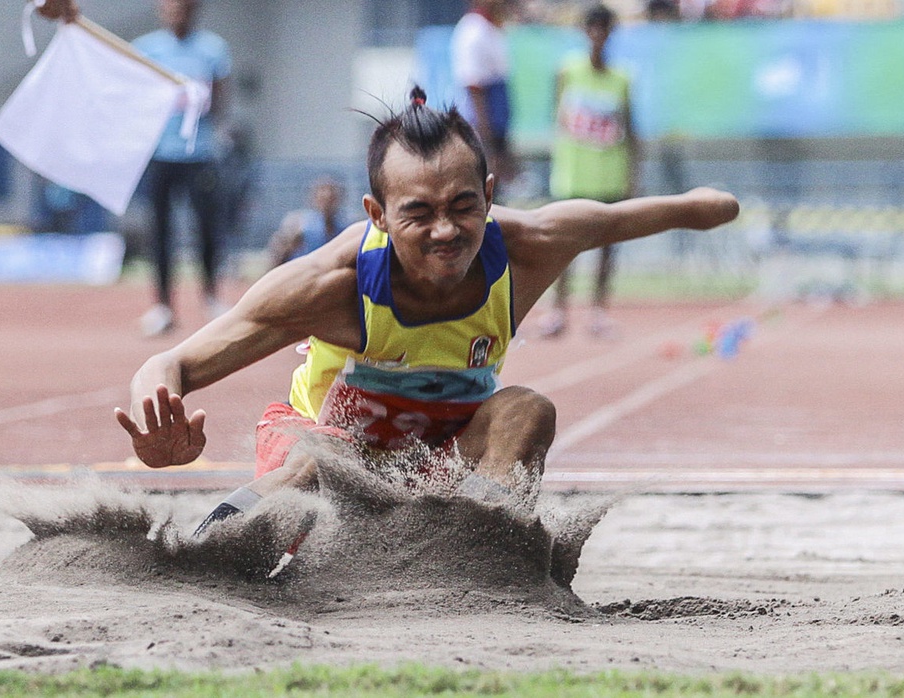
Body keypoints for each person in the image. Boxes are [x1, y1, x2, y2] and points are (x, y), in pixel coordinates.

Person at [114, 87, 738, 579]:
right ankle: (204, 558)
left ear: (490, 196)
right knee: (321, 459)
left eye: (463, 206)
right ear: (377, 214)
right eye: (418, 213)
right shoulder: (330, 284)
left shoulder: (528, 249)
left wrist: (712, 205)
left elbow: (627, 217)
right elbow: (170, 366)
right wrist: (154, 423)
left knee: (526, 410)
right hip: (316, 453)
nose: (446, 231)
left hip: (436, 464)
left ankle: (470, 561)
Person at [536, 5, 638, 340]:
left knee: (607, 247)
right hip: (572, 176)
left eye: (603, 28)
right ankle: (558, 311)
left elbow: (631, 128)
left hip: (608, 174)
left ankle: (597, 310)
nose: (597, 34)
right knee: (563, 246)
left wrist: (632, 175)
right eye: (592, 27)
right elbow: (557, 118)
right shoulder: (567, 71)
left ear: (610, 33)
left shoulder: (621, 78)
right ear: (584, 31)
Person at [132, 0, 233, 337]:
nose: (177, 13)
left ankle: (210, 297)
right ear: (162, 9)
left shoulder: (213, 49)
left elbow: (220, 97)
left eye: (184, 7)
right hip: (160, 153)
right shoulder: (147, 49)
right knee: (160, 232)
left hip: (199, 153)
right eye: (171, 7)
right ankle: (162, 306)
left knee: (206, 228)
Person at [450, 0, 517, 193]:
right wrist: (487, 143)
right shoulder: (473, 30)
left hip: (496, 127)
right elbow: (474, 87)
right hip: (482, 128)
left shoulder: (492, 28)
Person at [267, 177, 345, 267]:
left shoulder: (343, 229)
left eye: (332, 198)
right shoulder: (298, 223)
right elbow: (278, 255)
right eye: (322, 198)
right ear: (313, 198)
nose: (327, 201)